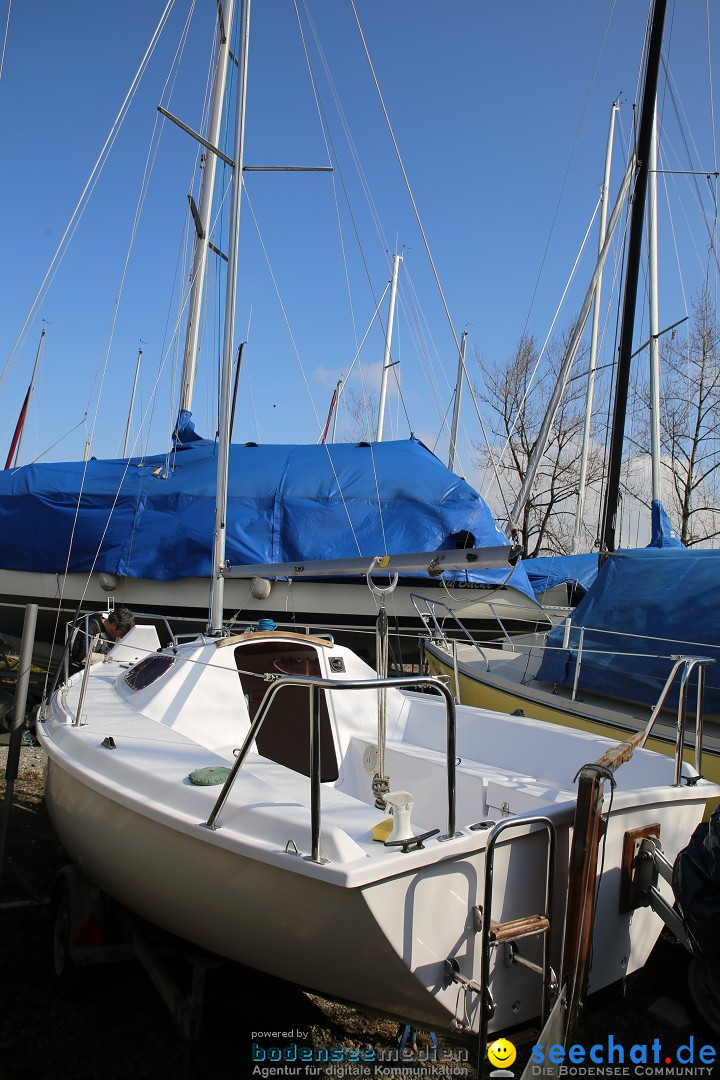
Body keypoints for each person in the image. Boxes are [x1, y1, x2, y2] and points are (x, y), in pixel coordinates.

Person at [69, 607, 135, 672]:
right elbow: (81, 655)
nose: (121, 637)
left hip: (100, 670)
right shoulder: (89, 627)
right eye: (121, 634)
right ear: (114, 625)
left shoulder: (113, 634)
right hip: (79, 672)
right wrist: (107, 658)